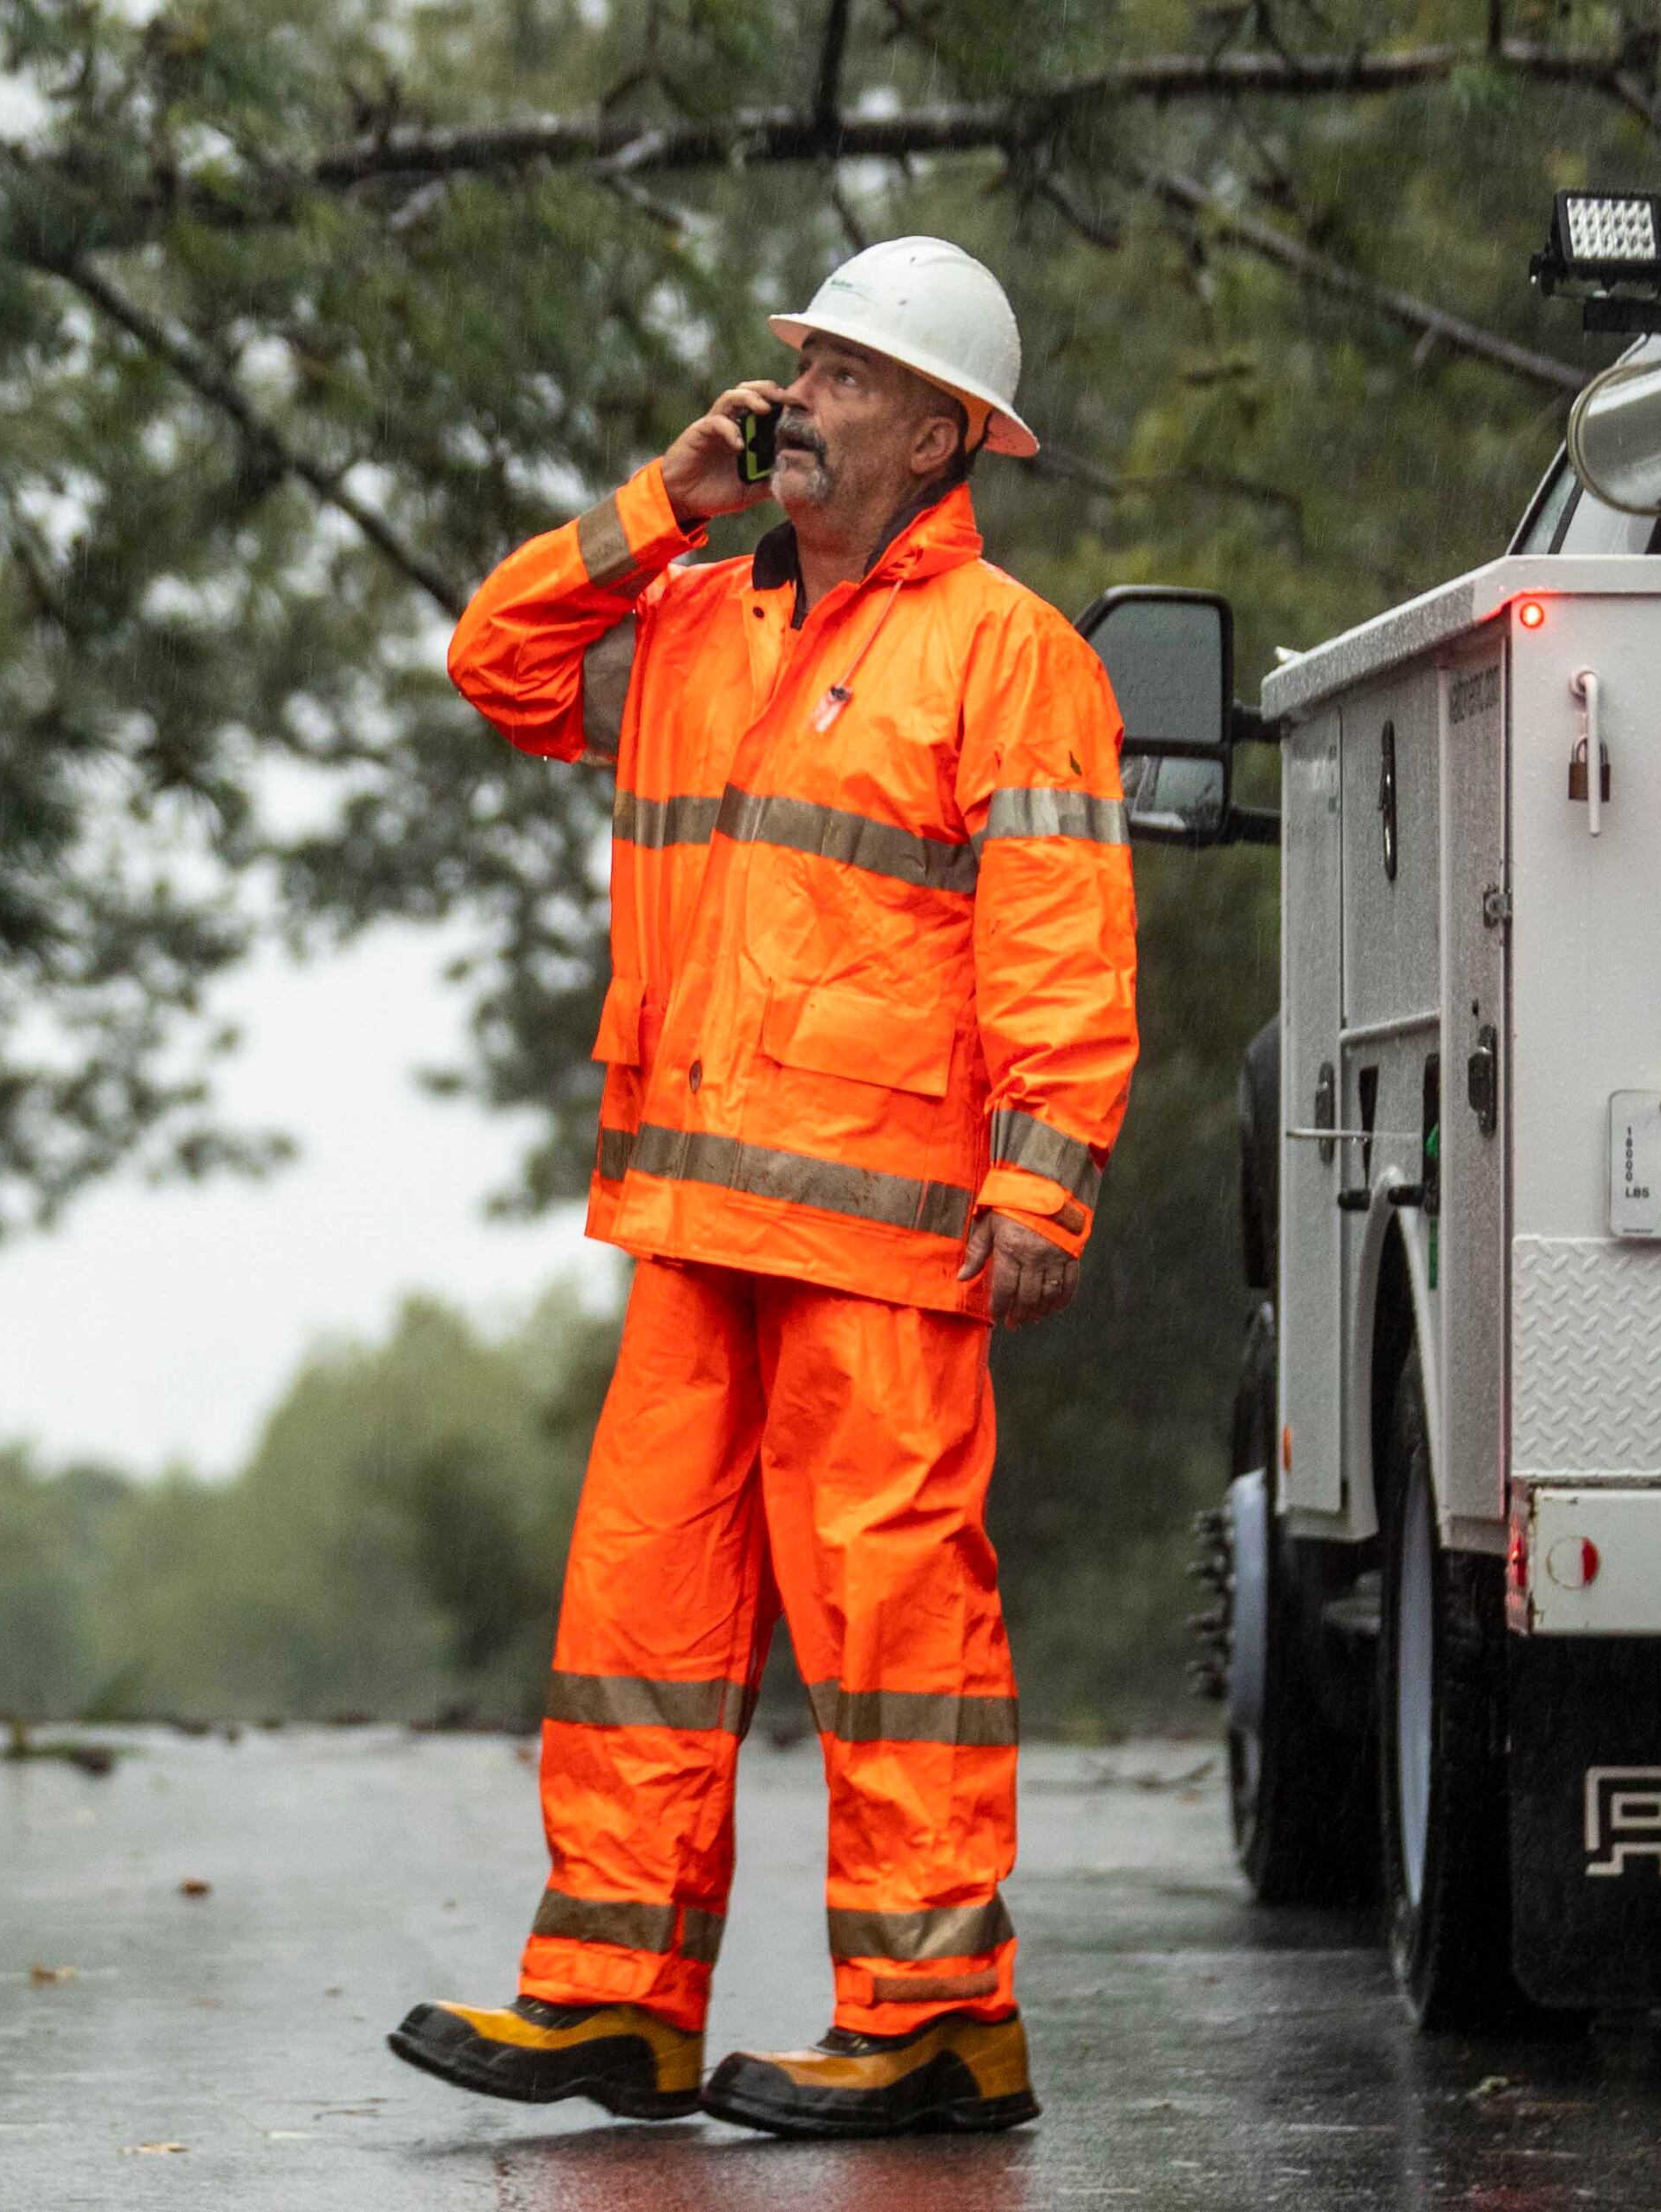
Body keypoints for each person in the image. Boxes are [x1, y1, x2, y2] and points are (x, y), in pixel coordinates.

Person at [385, 236, 1138, 2139]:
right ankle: (615, 2003)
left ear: (948, 436)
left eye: (855, 380)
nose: (807, 400)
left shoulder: (1007, 657)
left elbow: (1062, 944)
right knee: (644, 1609)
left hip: (886, 1230)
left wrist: (1044, 1188)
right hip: (693, 1219)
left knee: (898, 1630)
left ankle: (940, 2018)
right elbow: (495, 654)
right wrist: (664, 503)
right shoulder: (699, 623)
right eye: (800, 366)